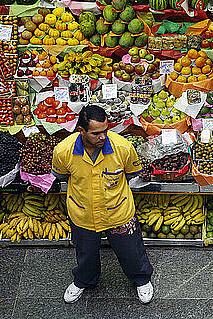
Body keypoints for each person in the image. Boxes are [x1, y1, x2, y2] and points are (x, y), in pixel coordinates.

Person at [52, 105, 153, 304]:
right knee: (86, 253)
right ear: (81, 130)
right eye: (96, 133)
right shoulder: (63, 151)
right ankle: (83, 280)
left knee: (131, 250)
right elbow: (61, 175)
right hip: (83, 212)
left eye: (106, 130)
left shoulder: (123, 148)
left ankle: (141, 279)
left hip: (118, 212)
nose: (103, 137)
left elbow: (132, 173)